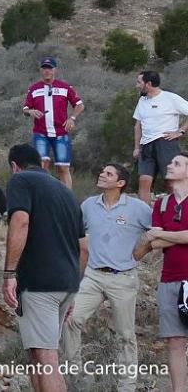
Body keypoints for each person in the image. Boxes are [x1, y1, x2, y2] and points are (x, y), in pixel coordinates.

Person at [61, 163, 151, 392]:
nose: (102, 174)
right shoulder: (89, 205)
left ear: (120, 183)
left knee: (126, 335)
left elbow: (156, 232)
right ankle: (76, 378)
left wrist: (141, 252)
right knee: (71, 320)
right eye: (102, 171)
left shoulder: (138, 208)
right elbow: (76, 235)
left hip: (123, 278)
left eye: (109, 173)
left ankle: (127, 386)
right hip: (92, 275)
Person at [2, 143, 82, 392]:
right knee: (39, 358)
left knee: (46, 360)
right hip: (66, 283)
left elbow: (21, 221)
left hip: (39, 284)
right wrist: (74, 287)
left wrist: (9, 273)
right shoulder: (66, 191)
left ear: (15, 166)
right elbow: (85, 246)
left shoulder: (21, 181)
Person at [134, 152, 188, 392]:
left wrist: (162, 234)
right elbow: (153, 244)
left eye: (177, 163)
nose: (170, 165)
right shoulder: (162, 203)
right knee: (175, 341)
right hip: (169, 280)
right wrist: (170, 237)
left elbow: (157, 236)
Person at [22, 56, 85, 188]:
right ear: (41, 70)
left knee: (63, 167)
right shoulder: (34, 89)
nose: (47, 71)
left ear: (55, 70)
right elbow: (25, 108)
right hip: (41, 133)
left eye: (49, 68)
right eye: (44, 68)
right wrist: (31, 111)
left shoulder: (65, 87)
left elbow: (79, 105)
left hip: (61, 132)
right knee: (42, 164)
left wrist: (72, 118)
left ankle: (67, 199)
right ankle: (45, 195)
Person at [133, 70, 188, 202]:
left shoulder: (170, 98)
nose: (137, 85)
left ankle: (177, 210)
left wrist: (180, 131)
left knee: (171, 181)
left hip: (165, 143)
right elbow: (137, 125)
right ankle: (145, 215)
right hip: (146, 145)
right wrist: (137, 147)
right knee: (144, 180)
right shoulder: (142, 100)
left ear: (149, 84)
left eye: (139, 82)